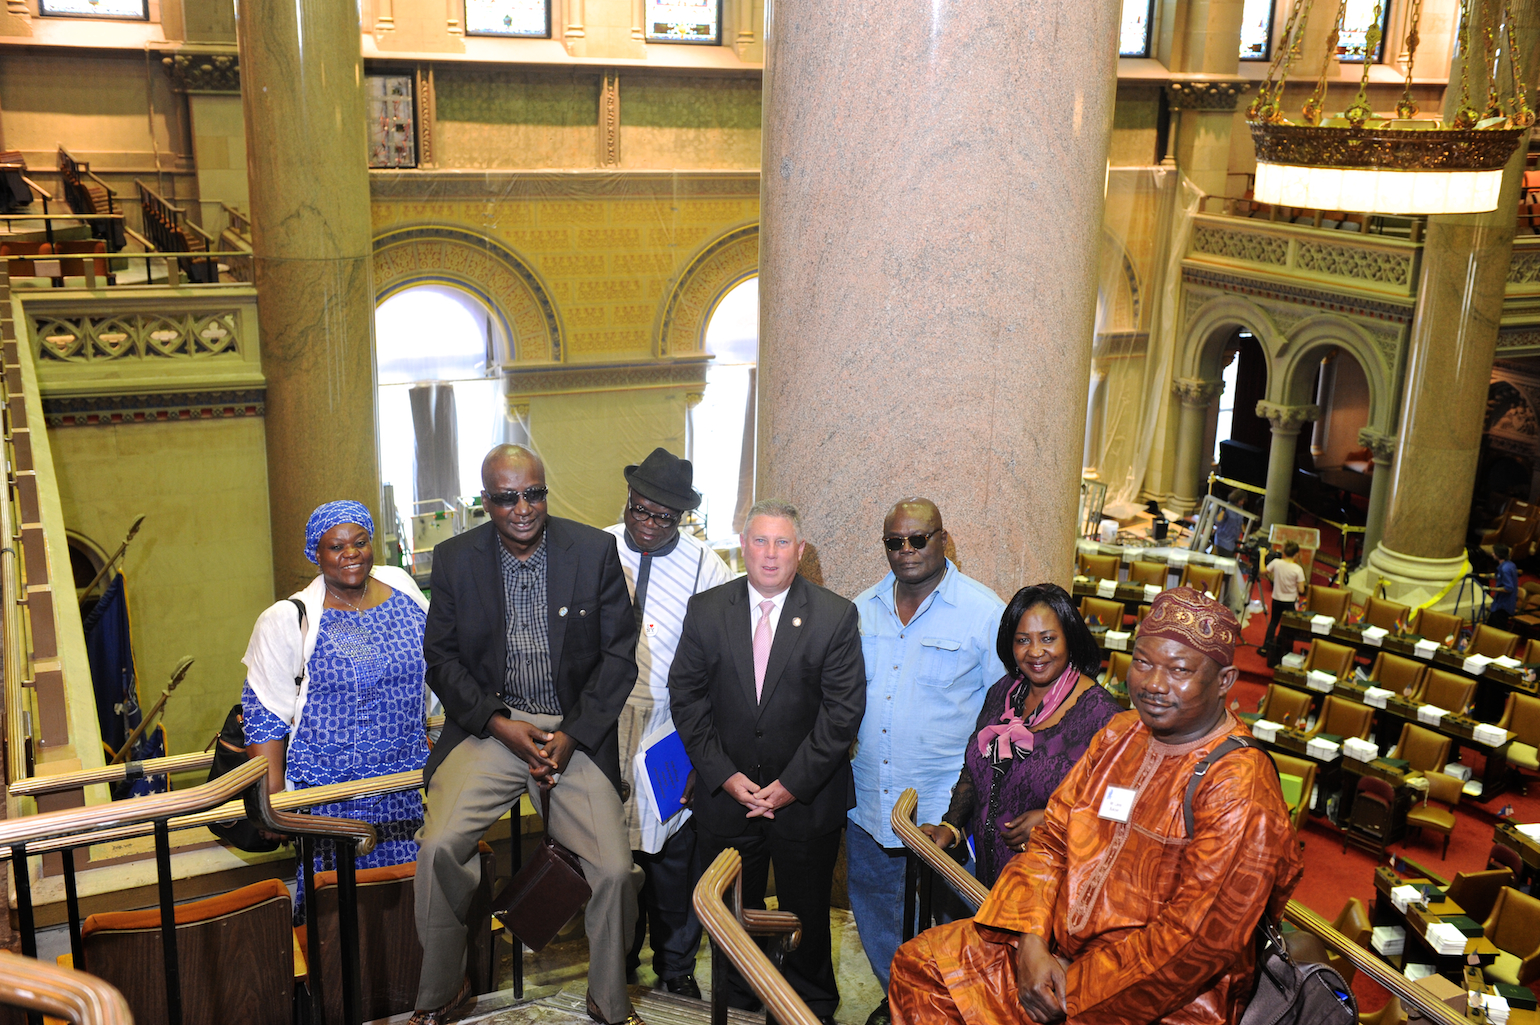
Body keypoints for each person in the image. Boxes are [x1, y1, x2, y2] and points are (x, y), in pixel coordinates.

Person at [889, 587, 1304, 1025]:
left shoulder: (1239, 783)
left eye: (1178, 670)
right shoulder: (1120, 735)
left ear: (1224, 682)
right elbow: (1050, 843)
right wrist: (1029, 939)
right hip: (1053, 947)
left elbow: (1196, 942)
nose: (1154, 684)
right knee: (922, 968)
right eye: (1143, 663)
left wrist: (1077, 987)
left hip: (1160, 997)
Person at [412, 445, 642, 1025]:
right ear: (485, 501)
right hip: (491, 728)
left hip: (574, 732)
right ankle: (441, 993)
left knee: (615, 871)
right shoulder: (456, 558)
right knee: (438, 846)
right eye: (507, 497)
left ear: (545, 491)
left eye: (533, 493)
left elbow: (618, 661)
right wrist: (498, 724)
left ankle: (608, 1002)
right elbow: (441, 661)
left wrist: (573, 735)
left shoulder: (593, 551)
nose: (523, 508)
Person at [668, 500, 865, 1025]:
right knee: (733, 919)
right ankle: (737, 1003)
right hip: (726, 800)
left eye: (782, 543)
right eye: (760, 541)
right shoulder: (707, 610)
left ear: (800, 551)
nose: (771, 554)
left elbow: (842, 714)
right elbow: (686, 699)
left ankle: (810, 1006)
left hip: (805, 801)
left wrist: (789, 785)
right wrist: (726, 776)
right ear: (743, 548)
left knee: (807, 915)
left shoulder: (835, 615)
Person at [848, 499, 1007, 1025]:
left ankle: (939, 1010)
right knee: (874, 914)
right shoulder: (861, 609)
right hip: (869, 802)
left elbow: (1003, 722)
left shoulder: (985, 613)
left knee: (946, 926)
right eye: (896, 542)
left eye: (919, 539)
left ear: (944, 539)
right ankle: (898, 1002)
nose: (907, 551)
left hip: (943, 814)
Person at [242, 500, 431, 923]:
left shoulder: (401, 588)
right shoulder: (287, 619)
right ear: (316, 553)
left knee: (405, 901)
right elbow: (264, 713)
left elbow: (434, 664)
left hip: (401, 786)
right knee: (340, 910)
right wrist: (271, 800)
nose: (350, 553)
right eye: (335, 546)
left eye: (360, 542)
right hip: (331, 796)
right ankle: (337, 987)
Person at [604, 448, 732, 998]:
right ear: (628, 500)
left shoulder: (709, 567)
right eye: (642, 510)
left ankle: (676, 968)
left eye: (665, 517)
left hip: (671, 730)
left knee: (675, 856)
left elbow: (726, 659)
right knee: (611, 853)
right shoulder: (596, 547)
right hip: (604, 725)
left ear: (683, 517)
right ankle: (617, 958)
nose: (650, 525)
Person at [921, 583, 1123, 889]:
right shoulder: (1003, 691)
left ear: (1070, 638)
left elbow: (1119, 809)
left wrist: (1054, 818)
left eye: (1048, 639)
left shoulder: (1102, 715)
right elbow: (977, 768)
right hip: (985, 880)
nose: (1036, 652)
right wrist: (951, 825)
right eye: (1023, 640)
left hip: (1049, 888)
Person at [1259, 540, 1305, 667]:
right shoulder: (1298, 569)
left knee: (1273, 622)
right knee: (1286, 626)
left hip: (1277, 598)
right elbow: (1301, 590)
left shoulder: (1276, 563)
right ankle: (1280, 649)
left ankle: (1265, 648)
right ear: (1297, 554)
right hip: (1290, 601)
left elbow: (1263, 571)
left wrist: (1262, 556)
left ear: (1284, 552)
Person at [1487, 543, 1519, 631]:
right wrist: (1480, 575)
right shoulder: (1510, 565)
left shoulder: (1505, 569)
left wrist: (1491, 589)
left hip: (1503, 605)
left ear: (1498, 554)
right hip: (1501, 603)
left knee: (1497, 629)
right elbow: (1497, 575)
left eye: (1494, 552)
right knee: (1490, 626)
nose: (1492, 554)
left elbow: (1508, 588)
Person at [1210, 489, 1248, 558]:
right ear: (1237, 499)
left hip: (1233, 541)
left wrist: (1245, 534)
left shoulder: (1240, 508)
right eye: (1241, 500)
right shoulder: (1227, 507)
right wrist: (1223, 510)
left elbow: (1240, 522)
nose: (1242, 502)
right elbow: (1218, 521)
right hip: (1223, 541)